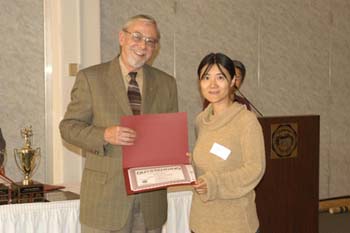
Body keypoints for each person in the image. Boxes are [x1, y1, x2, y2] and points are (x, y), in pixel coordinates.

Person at [59, 14, 178, 233]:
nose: (143, 45)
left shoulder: (167, 83)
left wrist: (178, 158)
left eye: (151, 41)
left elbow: (169, 138)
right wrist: (104, 135)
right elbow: (68, 127)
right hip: (105, 201)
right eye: (137, 37)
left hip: (150, 201)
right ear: (121, 38)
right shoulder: (91, 78)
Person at [190, 53, 265, 233]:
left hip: (235, 223)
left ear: (232, 82)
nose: (212, 84)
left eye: (220, 77)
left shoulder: (246, 121)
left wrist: (214, 183)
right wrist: (189, 163)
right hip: (202, 221)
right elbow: (207, 163)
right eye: (206, 77)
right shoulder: (201, 120)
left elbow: (255, 169)